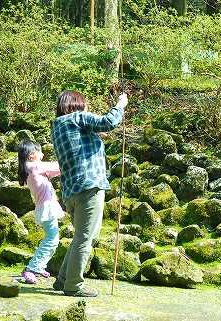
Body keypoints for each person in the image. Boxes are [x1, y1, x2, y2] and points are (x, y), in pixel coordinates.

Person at [51, 90, 128, 297]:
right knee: (86, 238)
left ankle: (63, 280)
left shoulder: (58, 126)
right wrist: (121, 104)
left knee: (81, 237)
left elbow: (80, 146)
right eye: (85, 104)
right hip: (89, 187)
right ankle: (74, 285)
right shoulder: (78, 117)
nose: (88, 107)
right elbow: (109, 122)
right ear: (77, 104)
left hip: (71, 191)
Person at [18, 141, 64, 284]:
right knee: (52, 240)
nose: (43, 154)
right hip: (47, 208)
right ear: (32, 156)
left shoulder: (29, 168)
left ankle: (39, 266)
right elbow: (59, 167)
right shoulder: (34, 166)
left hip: (45, 207)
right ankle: (31, 269)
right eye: (40, 152)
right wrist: (70, 158)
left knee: (52, 238)